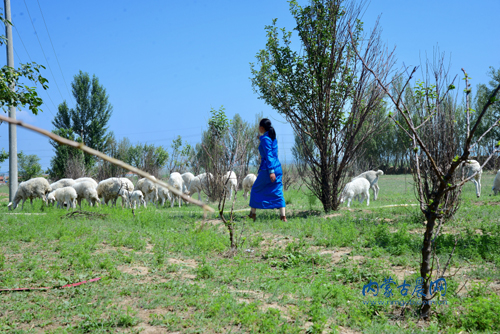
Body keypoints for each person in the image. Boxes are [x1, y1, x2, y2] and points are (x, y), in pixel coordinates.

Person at [248, 118, 287, 222]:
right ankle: (283, 217)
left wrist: (271, 172)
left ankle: (253, 214)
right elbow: (269, 146)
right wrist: (260, 138)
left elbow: (268, 155)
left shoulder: (265, 139)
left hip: (268, 169)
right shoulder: (272, 137)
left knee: (255, 189)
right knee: (278, 190)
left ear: (261, 128)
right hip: (277, 167)